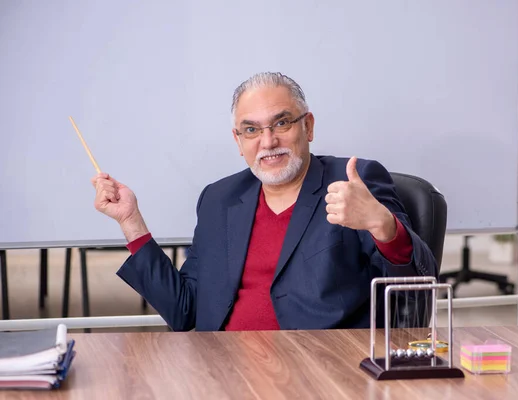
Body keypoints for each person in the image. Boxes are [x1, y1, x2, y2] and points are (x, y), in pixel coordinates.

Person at [91, 72, 438, 331]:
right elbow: (185, 312)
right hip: (224, 373)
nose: (268, 141)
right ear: (238, 141)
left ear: (309, 126)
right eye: (252, 130)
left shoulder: (353, 181)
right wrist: (131, 222)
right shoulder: (219, 199)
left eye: (282, 123)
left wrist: (384, 225)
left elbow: (416, 290)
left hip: (324, 372)